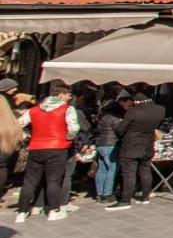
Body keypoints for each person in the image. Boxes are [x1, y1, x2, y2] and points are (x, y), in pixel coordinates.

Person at [16, 84, 79, 223]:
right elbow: (74, 128)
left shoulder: (34, 110)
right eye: (68, 95)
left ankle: (22, 212)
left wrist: (28, 136)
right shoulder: (67, 109)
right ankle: (53, 211)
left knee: (30, 181)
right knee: (54, 180)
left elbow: (18, 124)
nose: (70, 98)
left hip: (36, 147)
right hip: (57, 148)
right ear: (61, 95)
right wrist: (67, 140)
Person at [107, 88, 164, 211]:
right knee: (145, 170)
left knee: (129, 173)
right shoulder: (160, 110)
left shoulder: (133, 111)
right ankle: (145, 196)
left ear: (137, 101)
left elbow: (121, 129)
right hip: (148, 144)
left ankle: (125, 200)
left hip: (130, 146)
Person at [94, 90, 132, 203]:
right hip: (111, 145)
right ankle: (107, 194)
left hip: (100, 144)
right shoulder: (114, 118)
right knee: (112, 169)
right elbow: (120, 130)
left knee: (101, 170)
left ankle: (99, 193)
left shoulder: (103, 117)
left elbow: (98, 130)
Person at [0, 78, 22, 200]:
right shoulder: (4, 102)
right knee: (2, 166)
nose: (15, 89)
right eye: (13, 87)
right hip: (6, 139)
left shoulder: (6, 100)